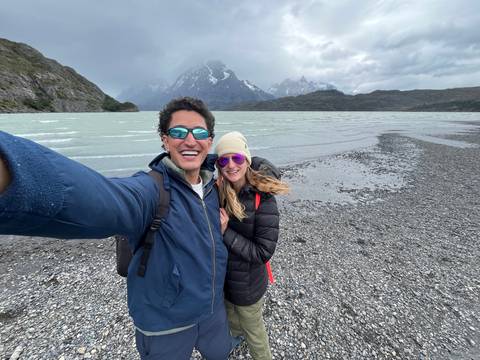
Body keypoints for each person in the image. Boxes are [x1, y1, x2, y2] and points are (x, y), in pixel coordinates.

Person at [0, 97, 232, 360]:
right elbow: (107, 199)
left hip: (212, 310)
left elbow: (244, 174)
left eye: (199, 133)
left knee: (221, 353)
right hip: (166, 323)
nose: (190, 141)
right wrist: (16, 176)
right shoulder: (150, 190)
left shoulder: (213, 186)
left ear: (209, 141)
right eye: (178, 132)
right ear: (165, 140)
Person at [215, 132, 289, 360]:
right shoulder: (219, 191)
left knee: (255, 333)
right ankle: (235, 337)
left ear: (247, 159)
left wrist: (226, 233)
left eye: (236, 158)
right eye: (223, 160)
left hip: (248, 287)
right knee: (231, 317)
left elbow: (263, 252)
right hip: (225, 281)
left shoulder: (263, 200)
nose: (230, 165)